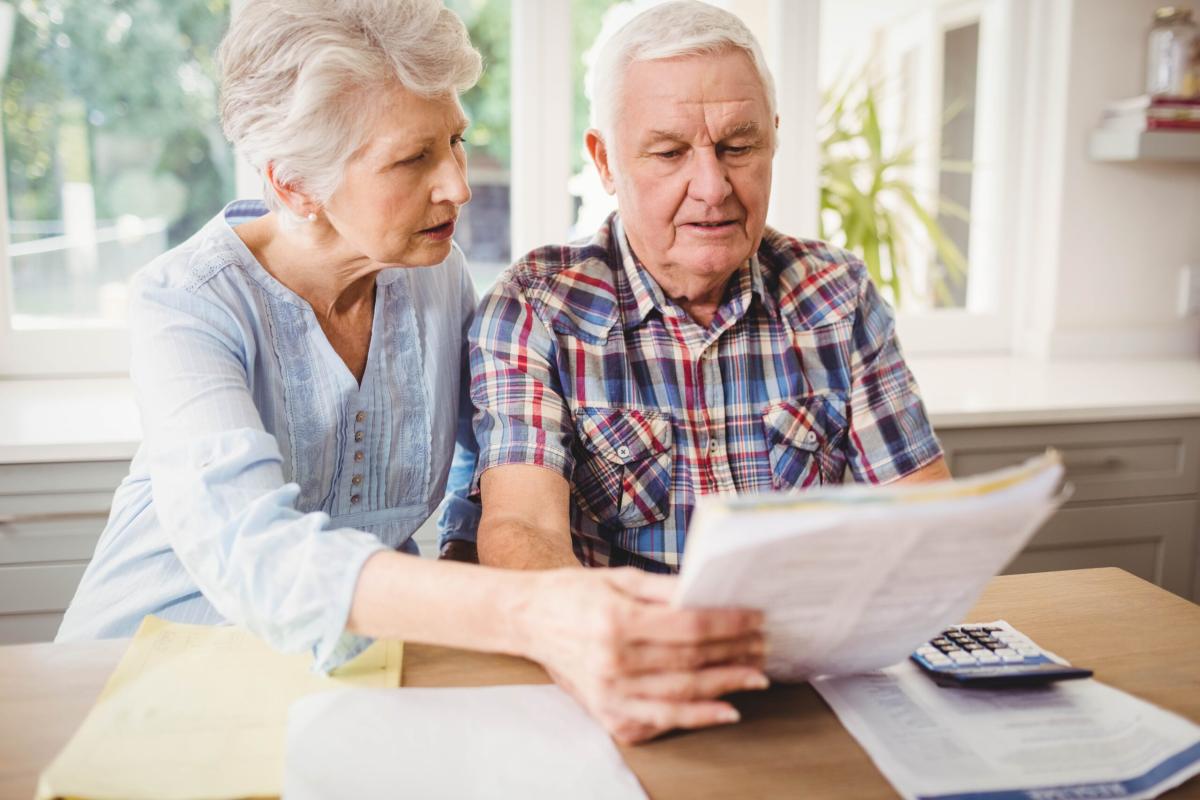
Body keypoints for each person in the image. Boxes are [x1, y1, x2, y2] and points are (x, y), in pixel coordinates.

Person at [56, 0, 766, 745]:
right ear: (296, 185)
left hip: (344, 687)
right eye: (412, 159)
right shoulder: (186, 305)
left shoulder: (432, 274)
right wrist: (529, 611)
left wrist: (478, 580)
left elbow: (480, 465)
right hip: (138, 683)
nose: (457, 184)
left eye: (454, 140)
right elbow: (252, 552)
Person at [469, 0, 952, 575]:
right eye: (671, 152)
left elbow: (923, 516)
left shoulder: (836, 294)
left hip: (806, 647)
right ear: (605, 161)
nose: (713, 186)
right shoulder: (536, 309)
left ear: (773, 141)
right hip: (634, 648)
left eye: (738, 148)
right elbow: (522, 532)